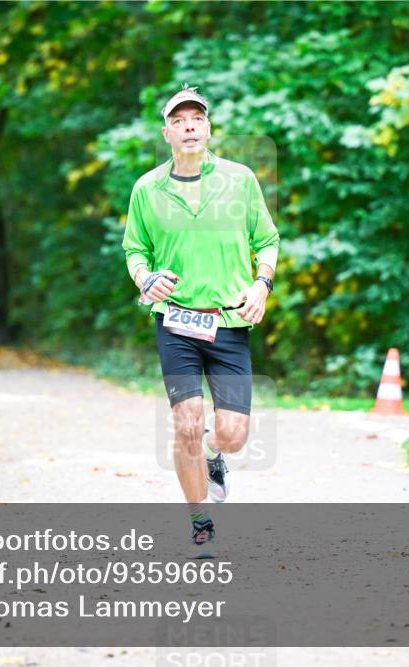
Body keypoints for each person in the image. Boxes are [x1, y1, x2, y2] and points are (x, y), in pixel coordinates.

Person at [122, 85, 279, 553]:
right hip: (175, 322)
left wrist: (261, 284)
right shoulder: (147, 189)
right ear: (166, 133)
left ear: (208, 128)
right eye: (179, 121)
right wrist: (145, 279)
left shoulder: (240, 180)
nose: (189, 127)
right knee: (187, 423)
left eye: (197, 119)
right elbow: (135, 251)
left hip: (228, 321)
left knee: (232, 435)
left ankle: (214, 455)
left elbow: (267, 240)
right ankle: (200, 521)